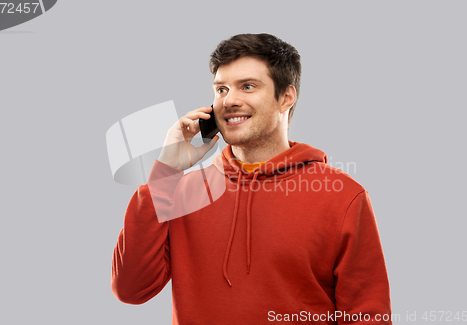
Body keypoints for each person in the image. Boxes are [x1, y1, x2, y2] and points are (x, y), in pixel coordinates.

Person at [111, 33, 392, 324]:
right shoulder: (180, 192)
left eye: (247, 86)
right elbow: (131, 289)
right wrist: (166, 171)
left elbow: (368, 316)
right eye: (221, 90)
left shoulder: (343, 196)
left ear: (286, 97)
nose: (229, 101)